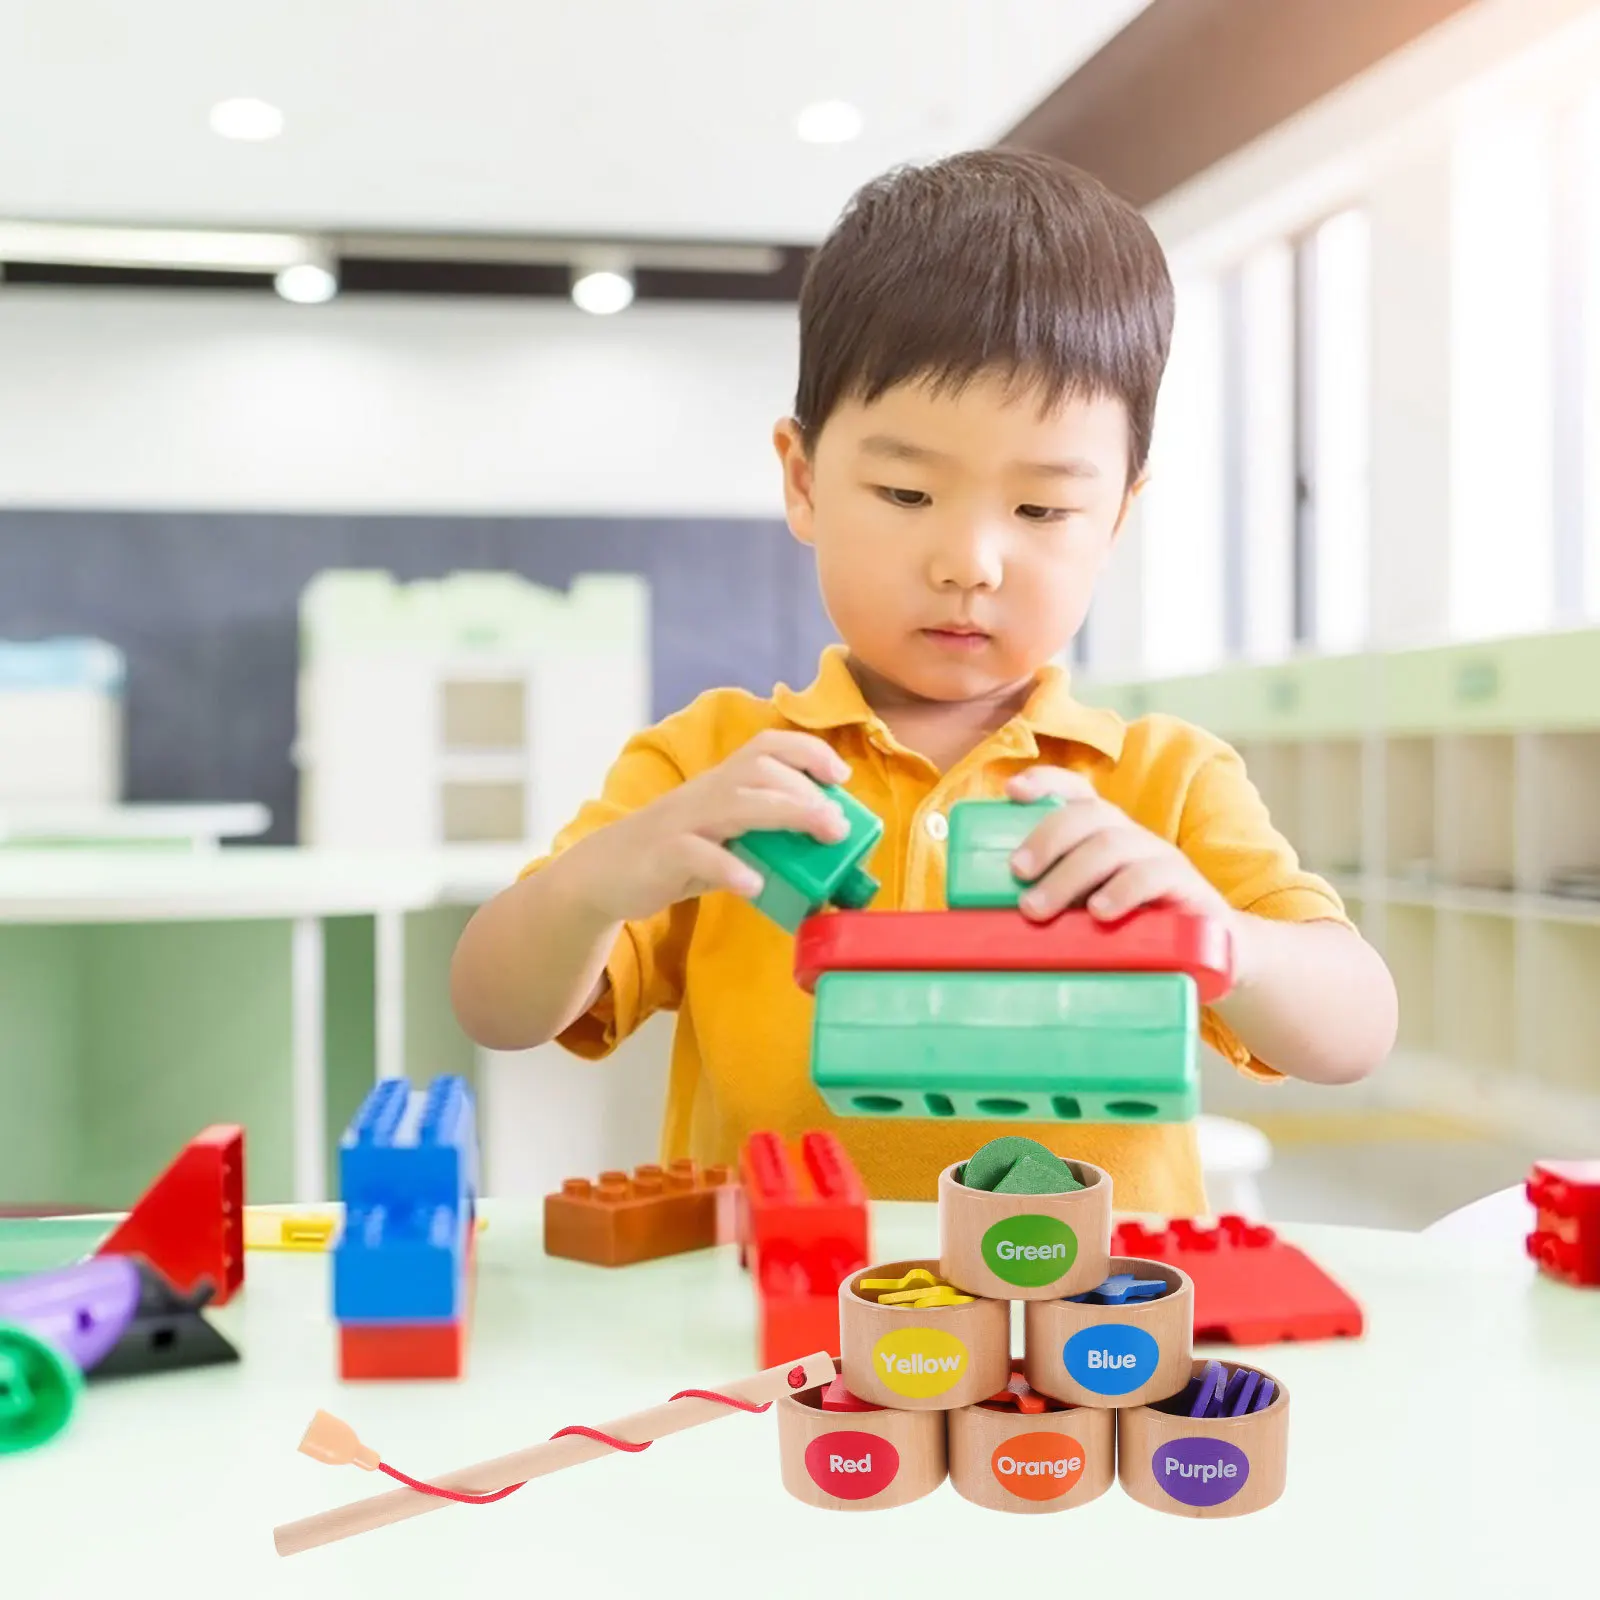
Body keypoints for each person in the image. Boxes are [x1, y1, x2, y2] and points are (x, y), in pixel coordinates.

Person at [450, 149, 1398, 1214]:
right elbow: (494, 1004)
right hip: (778, 1338)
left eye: (1041, 511)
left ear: (1117, 517)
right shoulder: (718, 770)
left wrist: (1216, 936)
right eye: (906, 491)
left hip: (1085, 1338)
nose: (971, 561)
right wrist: (599, 881)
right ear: (803, 481)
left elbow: (1354, 1028)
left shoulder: (1159, 782)